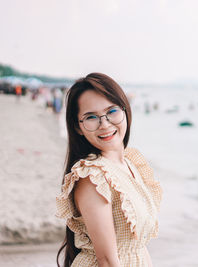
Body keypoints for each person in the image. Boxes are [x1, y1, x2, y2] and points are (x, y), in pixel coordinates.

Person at [56, 73, 162, 267]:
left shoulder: (130, 163)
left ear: (125, 109)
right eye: (91, 117)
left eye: (111, 111)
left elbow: (138, 247)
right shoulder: (92, 176)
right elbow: (107, 261)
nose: (104, 124)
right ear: (78, 127)